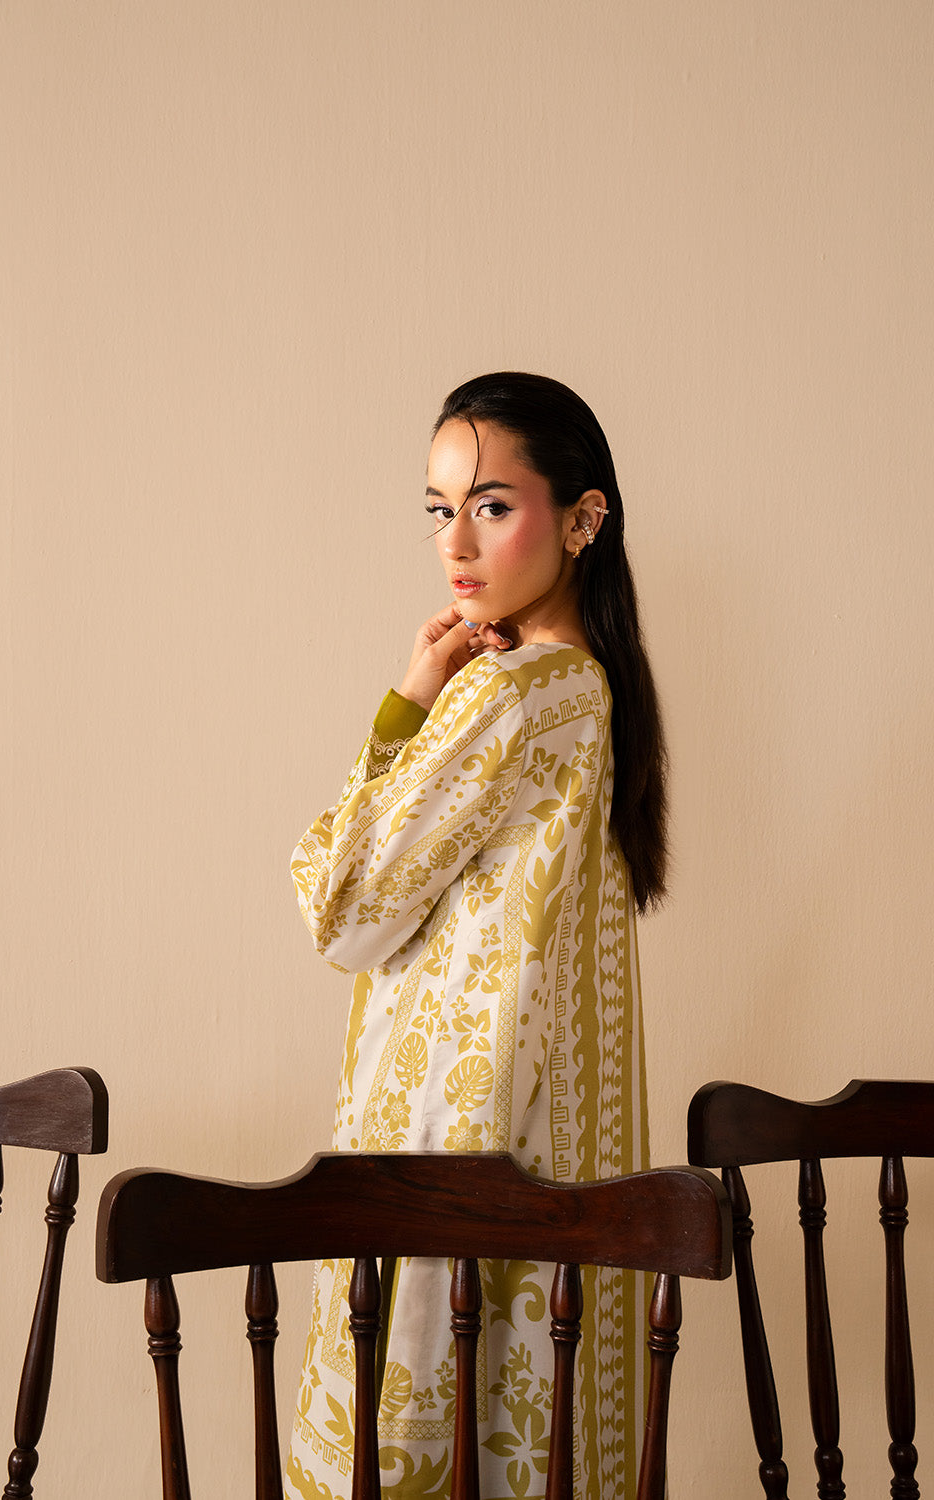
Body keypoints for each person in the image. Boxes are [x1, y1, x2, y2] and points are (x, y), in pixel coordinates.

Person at [285, 372, 668, 1500]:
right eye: (439, 508)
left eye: (492, 506)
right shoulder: (591, 697)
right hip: (544, 1154)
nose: (455, 542)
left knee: (416, 1446)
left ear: (583, 519)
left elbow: (341, 907)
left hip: (448, 1152)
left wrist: (406, 703)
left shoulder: (508, 697)